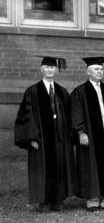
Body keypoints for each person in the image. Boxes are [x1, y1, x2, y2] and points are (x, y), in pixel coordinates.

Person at [14, 56, 76, 212]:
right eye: (47, 67)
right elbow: (27, 116)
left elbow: (69, 116)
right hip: (41, 138)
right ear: (41, 69)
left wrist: (70, 135)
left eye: (52, 67)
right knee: (42, 168)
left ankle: (58, 200)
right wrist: (32, 137)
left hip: (60, 138)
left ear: (56, 70)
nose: (50, 70)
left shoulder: (62, 91)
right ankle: (44, 201)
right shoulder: (33, 91)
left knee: (60, 167)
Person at [71, 56, 104, 211]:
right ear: (88, 71)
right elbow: (76, 113)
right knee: (90, 165)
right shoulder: (80, 92)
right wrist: (81, 132)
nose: (100, 71)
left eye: (101, 69)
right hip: (90, 136)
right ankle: (92, 198)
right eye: (96, 69)